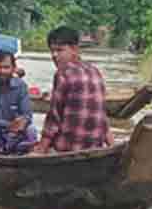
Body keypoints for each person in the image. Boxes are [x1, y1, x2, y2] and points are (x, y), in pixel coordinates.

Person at [33, 26, 110, 155]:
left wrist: (40, 150)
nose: (54, 55)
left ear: (75, 49)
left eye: (59, 50)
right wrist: (111, 146)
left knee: (33, 148)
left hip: (67, 149)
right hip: (95, 148)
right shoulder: (95, 71)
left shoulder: (62, 74)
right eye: (52, 51)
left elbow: (53, 120)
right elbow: (103, 117)